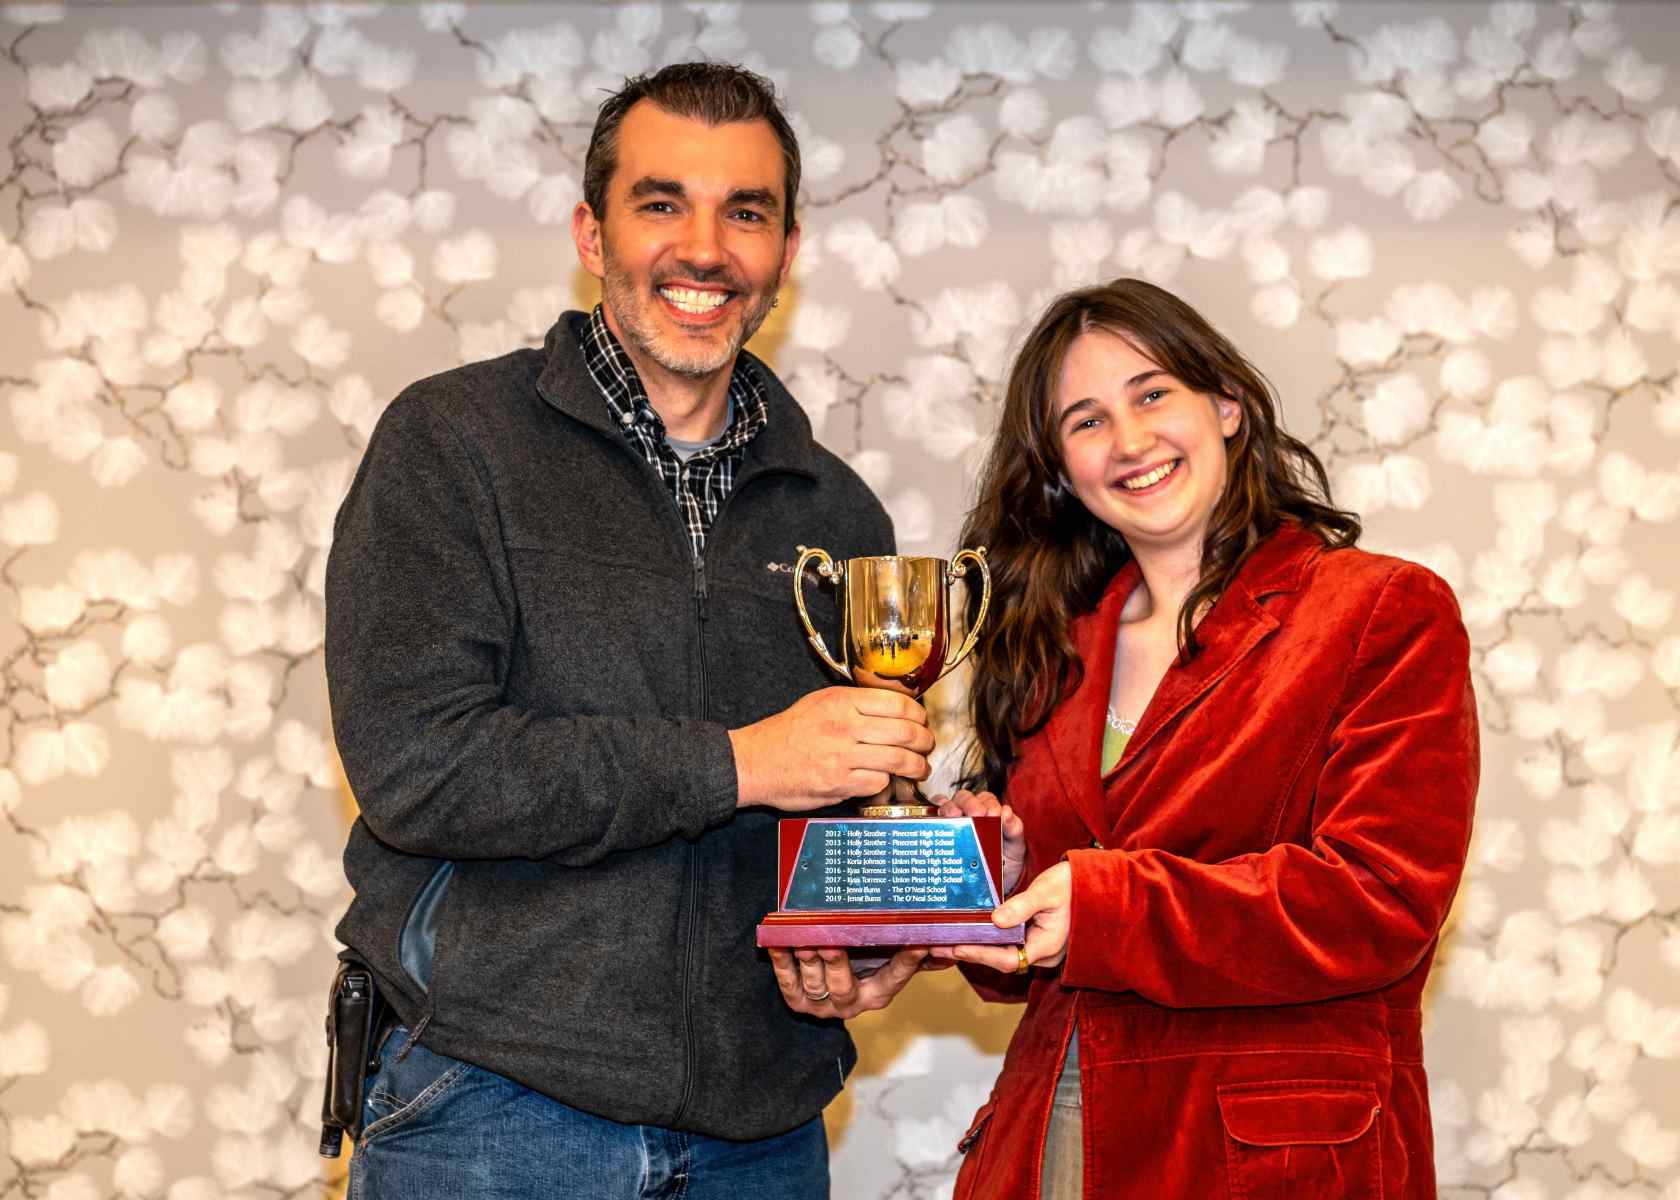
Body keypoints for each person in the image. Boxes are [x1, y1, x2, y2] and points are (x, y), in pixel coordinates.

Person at [323, 62, 937, 1200]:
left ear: (786, 252)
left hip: (764, 1131)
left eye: (744, 212)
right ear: (591, 233)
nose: (704, 249)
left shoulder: (839, 513)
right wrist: (741, 763)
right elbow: (419, 768)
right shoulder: (452, 444)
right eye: (662, 203)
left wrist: (870, 932)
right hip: (492, 1107)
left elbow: (830, 807)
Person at [930, 279, 1478, 1199]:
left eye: (1152, 394)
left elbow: (1379, 901)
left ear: (1226, 405)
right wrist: (1007, 882)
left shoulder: (1379, 609)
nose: (1130, 439)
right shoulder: (1052, 649)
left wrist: (1106, 907)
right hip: (1052, 1134)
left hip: (1263, 1160)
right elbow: (1058, 943)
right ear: (1061, 467)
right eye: (1087, 421)